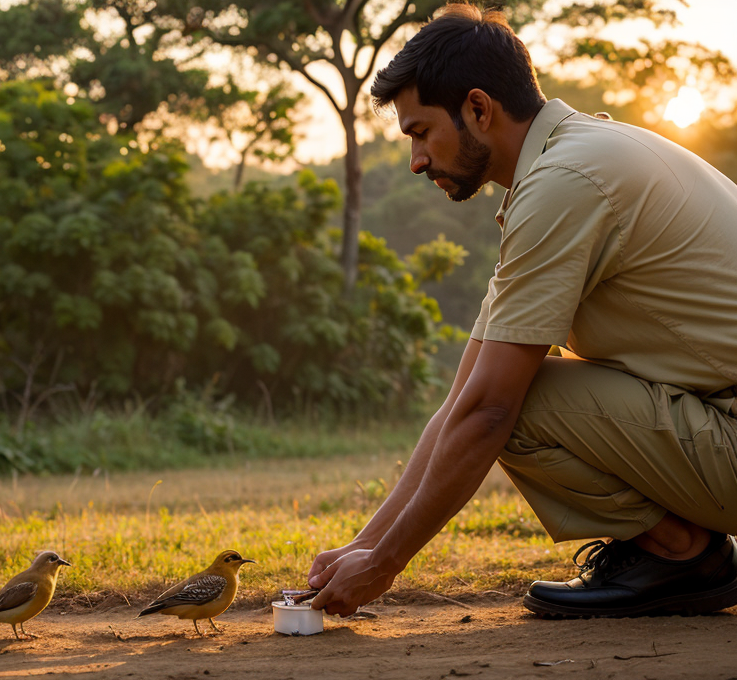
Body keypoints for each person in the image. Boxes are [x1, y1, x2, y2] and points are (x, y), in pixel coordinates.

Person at [307, 2, 737, 619]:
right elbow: (464, 397)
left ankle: (682, 555)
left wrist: (384, 565)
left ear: (479, 109)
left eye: (421, 132)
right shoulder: (578, 155)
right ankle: (686, 555)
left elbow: (488, 412)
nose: (417, 161)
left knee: (518, 405)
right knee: (496, 396)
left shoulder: (564, 183)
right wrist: (363, 544)